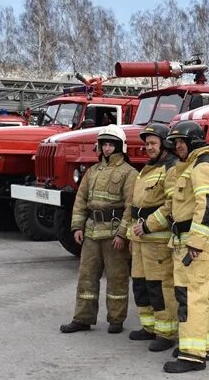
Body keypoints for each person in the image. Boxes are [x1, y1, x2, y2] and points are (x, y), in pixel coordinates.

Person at [138, 121, 209, 373]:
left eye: (180, 142)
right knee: (197, 296)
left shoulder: (203, 165)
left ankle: (192, 356)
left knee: (192, 298)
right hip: (186, 240)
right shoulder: (190, 165)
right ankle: (200, 347)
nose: (177, 147)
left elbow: (208, 206)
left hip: (195, 243)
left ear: (193, 142)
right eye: (174, 143)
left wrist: (196, 244)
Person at [59, 125, 138, 334]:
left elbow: (131, 207)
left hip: (113, 236)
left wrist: (123, 234)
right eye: (105, 144)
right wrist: (77, 226)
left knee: (117, 278)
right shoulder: (92, 172)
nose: (107, 148)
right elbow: (80, 200)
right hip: (91, 233)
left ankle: (116, 320)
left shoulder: (129, 173)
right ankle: (82, 318)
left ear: (120, 147)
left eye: (112, 144)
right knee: (86, 277)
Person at [126, 123, 179, 352]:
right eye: (146, 144)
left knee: (160, 287)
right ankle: (149, 327)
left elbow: (171, 206)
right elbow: (136, 205)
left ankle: (166, 333)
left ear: (165, 144)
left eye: (153, 143)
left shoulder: (171, 169)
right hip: (140, 240)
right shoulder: (147, 169)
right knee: (141, 286)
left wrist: (147, 226)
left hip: (157, 241)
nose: (148, 148)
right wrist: (132, 233)